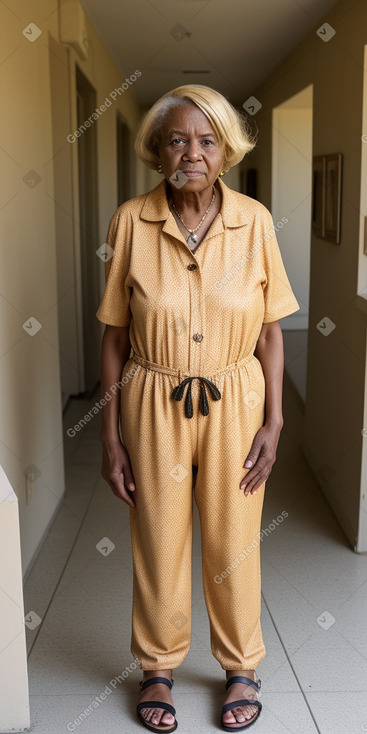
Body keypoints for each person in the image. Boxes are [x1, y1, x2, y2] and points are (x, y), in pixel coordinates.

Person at [96, 84, 300, 732]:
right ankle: (158, 665)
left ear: (226, 152)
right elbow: (115, 336)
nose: (192, 152)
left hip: (235, 399)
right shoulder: (131, 220)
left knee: (234, 540)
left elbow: (270, 333)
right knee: (157, 540)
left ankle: (240, 665)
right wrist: (108, 436)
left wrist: (274, 420)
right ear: (157, 151)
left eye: (207, 140)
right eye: (177, 139)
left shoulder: (255, 222)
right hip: (151, 398)